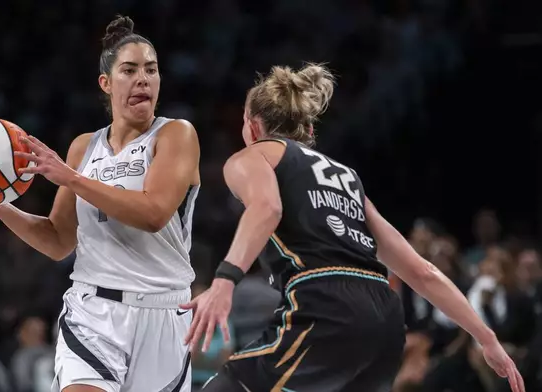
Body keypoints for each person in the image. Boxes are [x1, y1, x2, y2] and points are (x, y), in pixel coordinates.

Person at [181, 63, 525, 392]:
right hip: (385, 323)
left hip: (325, 305)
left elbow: (268, 207)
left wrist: (224, 281)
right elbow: (422, 271)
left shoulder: (253, 155)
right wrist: (487, 338)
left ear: (253, 126)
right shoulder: (347, 177)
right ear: (308, 129)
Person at [0, 15, 200, 392]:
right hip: (95, 311)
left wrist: (71, 178)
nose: (142, 79)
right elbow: (57, 240)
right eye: (129, 70)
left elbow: (153, 213)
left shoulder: (176, 135)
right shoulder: (85, 147)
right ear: (106, 83)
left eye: (151, 70)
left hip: (165, 316)